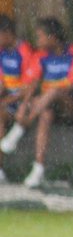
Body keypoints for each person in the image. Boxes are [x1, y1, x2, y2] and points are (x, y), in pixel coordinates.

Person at [1, 18, 73, 187]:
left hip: (70, 106)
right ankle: (38, 168)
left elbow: (71, 85)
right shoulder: (40, 56)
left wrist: (31, 106)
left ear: (53, 37)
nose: (37, 41)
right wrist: (24, 105)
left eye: (40, 37)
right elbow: (33, 84)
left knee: (53, 92)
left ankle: (20, 128)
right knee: (45, 113)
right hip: (45, 106)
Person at [0, 15, 34, 183]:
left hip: (25, 104)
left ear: (7, 33)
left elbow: (29, 88)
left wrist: (7, 101)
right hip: (9, 103)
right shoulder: (2, 52)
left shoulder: (24, 51)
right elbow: (3, 84)